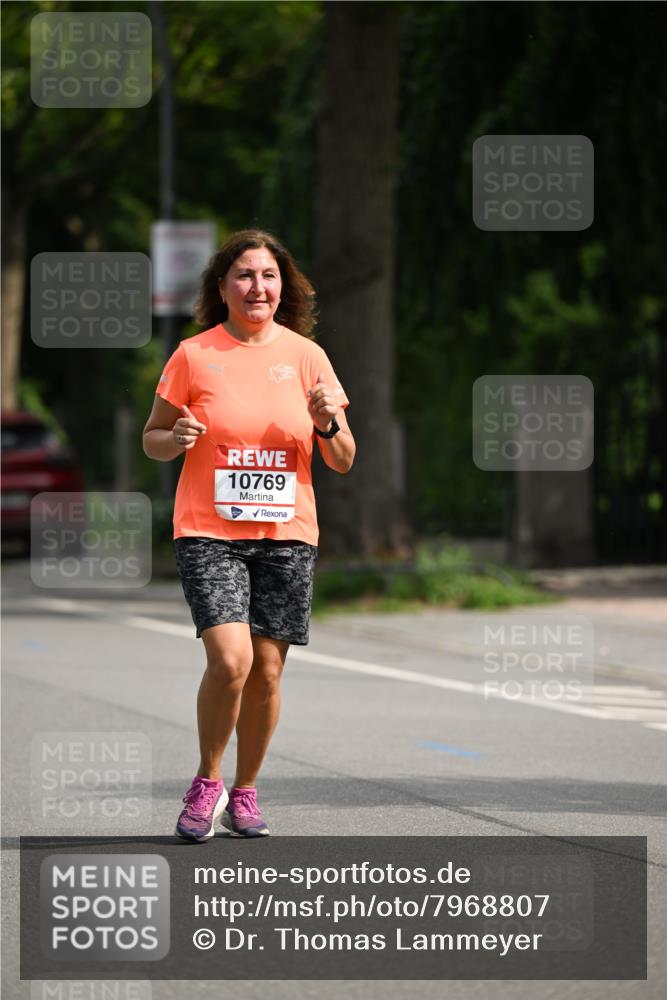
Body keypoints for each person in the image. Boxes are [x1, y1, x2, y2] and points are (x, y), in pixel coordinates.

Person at [142, 229, 355, 840]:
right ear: (223, 286)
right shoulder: (193, 355)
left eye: (268, 275)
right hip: (208, 531)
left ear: (283, 286)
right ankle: (207, 781)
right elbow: (153, 438)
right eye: (244, 275)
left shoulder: (308, 357)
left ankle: (245, 791)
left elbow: (343, 458)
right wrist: (175, 439)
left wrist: (327, 422)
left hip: (287, 534)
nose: (257, 286)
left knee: (265, 671)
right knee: (231, 659)